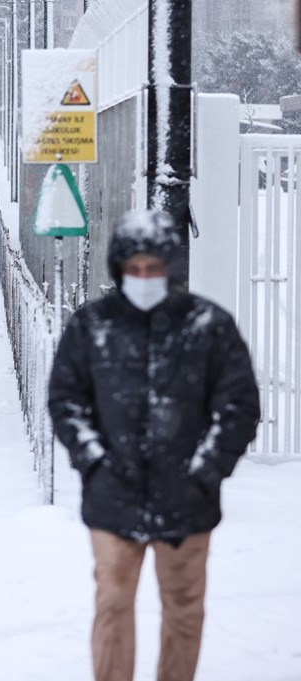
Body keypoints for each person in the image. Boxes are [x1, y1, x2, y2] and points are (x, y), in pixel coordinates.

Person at [48, 209, 261, 681]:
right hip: (113, 498)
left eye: (154, 268)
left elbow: (239, 407)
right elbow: (66, 400)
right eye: (135, 269)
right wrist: (94, 462)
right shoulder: (91, 326)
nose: (144, 278)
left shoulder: (208, 326)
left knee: (184, 610)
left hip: (188, 502)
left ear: (171, 268)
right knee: (112, 604)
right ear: (120, 269)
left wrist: (206, 472)